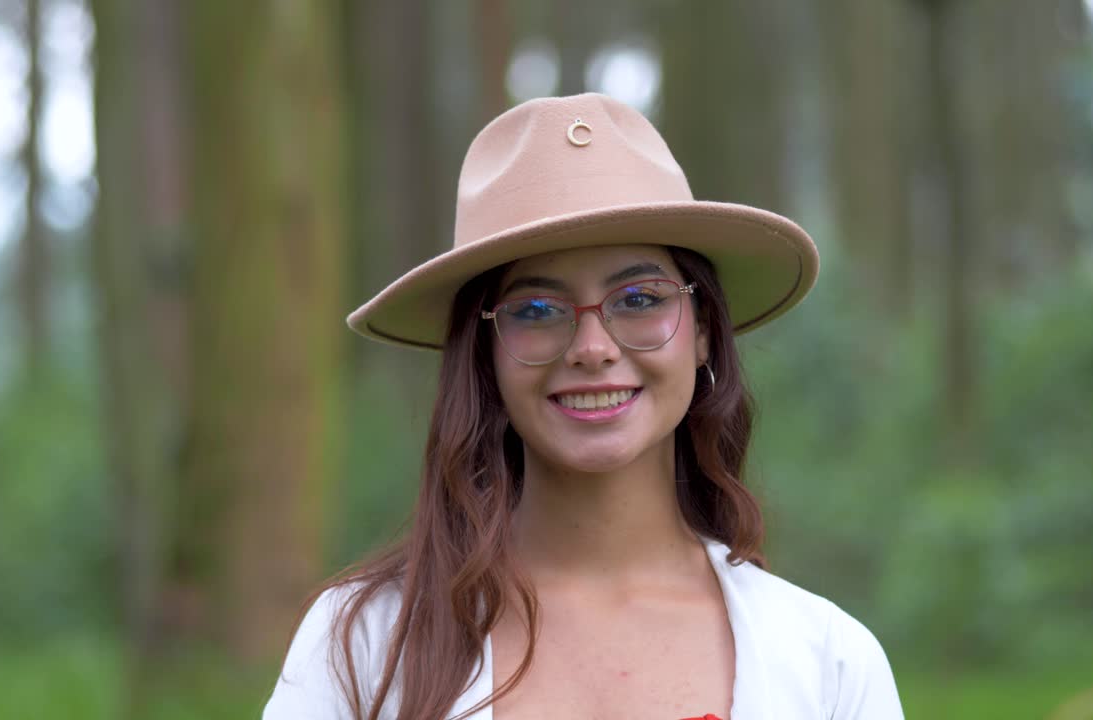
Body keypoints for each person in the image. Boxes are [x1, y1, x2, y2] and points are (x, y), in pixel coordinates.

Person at [263, 93, 903, 720]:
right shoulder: (362, 648)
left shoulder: (829, 664)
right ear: (484, 351)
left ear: (704, 326)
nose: (592, 348)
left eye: (640, 298)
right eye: (537, 311)